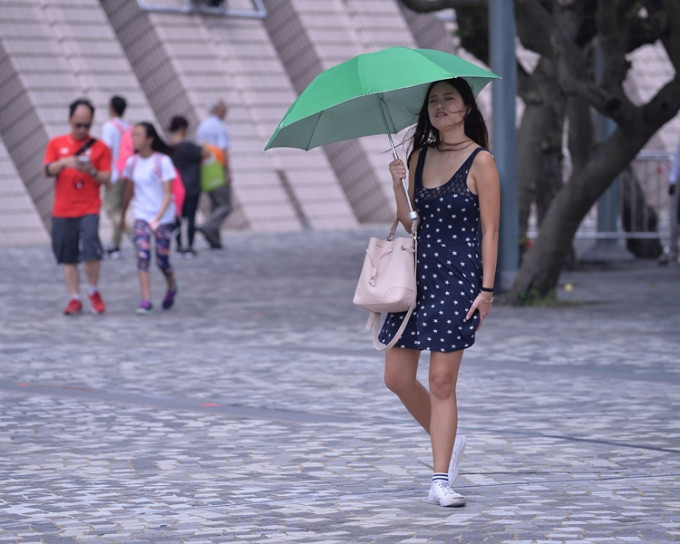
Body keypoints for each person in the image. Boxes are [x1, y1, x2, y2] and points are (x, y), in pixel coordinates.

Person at [378, 78, 500, 507]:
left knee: (442, 382)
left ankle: (441, 480)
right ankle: (451, 437)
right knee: (396, 377)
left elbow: (491, 229)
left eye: (449, 99)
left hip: (458, 281)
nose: (440, 107)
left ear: (467, 107)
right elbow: (412, 223)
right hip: (416, 280)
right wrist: (398, 183)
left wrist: (486, 290)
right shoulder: (418, 155)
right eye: (433, 101)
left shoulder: (481, 161)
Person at [43, 98, 112, 315]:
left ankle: (93, 290)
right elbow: (46, 171)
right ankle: (74, 297)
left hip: (89, 207)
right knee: (68, 255)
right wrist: (64, 162)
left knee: (92, 249)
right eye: (78, 125)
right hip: (62, 209)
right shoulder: (56, 144)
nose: (82, 129)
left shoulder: (100, 148)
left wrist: (90, 170)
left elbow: (108, 179)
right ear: (70, 120)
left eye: (87, 125)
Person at [120, 122, 178, 314]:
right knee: (143, 255)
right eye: (133, 135)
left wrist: (158, 218)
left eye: (138, 135)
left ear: (149, 139)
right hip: (142, 216)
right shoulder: (132, 163)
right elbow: (129, 191)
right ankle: (146, 299)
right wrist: (122, 215)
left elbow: (168, 194)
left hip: (163, 217)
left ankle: (171, 286)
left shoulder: (162, 162)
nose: (134, 138)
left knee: (162, 260)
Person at [168, 115, 209, 258]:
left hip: (175, 188)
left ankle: (178, 247)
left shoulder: (169, 148)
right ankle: (190, 247)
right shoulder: (190, 147)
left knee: (177, 218)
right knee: (191, 218)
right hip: (192, 186)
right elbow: (205, 153)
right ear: (182, 128)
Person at [196, 99, 232, 249]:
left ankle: (215, 239)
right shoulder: (218, 126)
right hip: (217, 168)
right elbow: (223, 150)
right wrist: (227, 171)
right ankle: (208, 227)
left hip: (205, 169)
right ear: (217, 109)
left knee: (215, 204)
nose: (226, 112)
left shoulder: (203, 125)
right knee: (225, 205)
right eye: (224, 109)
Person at [101, 95, 131, 259]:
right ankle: (115, 244)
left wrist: (104, 175)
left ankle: (132, 230)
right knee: (120, 209)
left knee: (111, 210)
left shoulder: (109, 127)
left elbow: (106, 151)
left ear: (111, 108)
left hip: (114, 173)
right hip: (126, 173)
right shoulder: (128, 127)